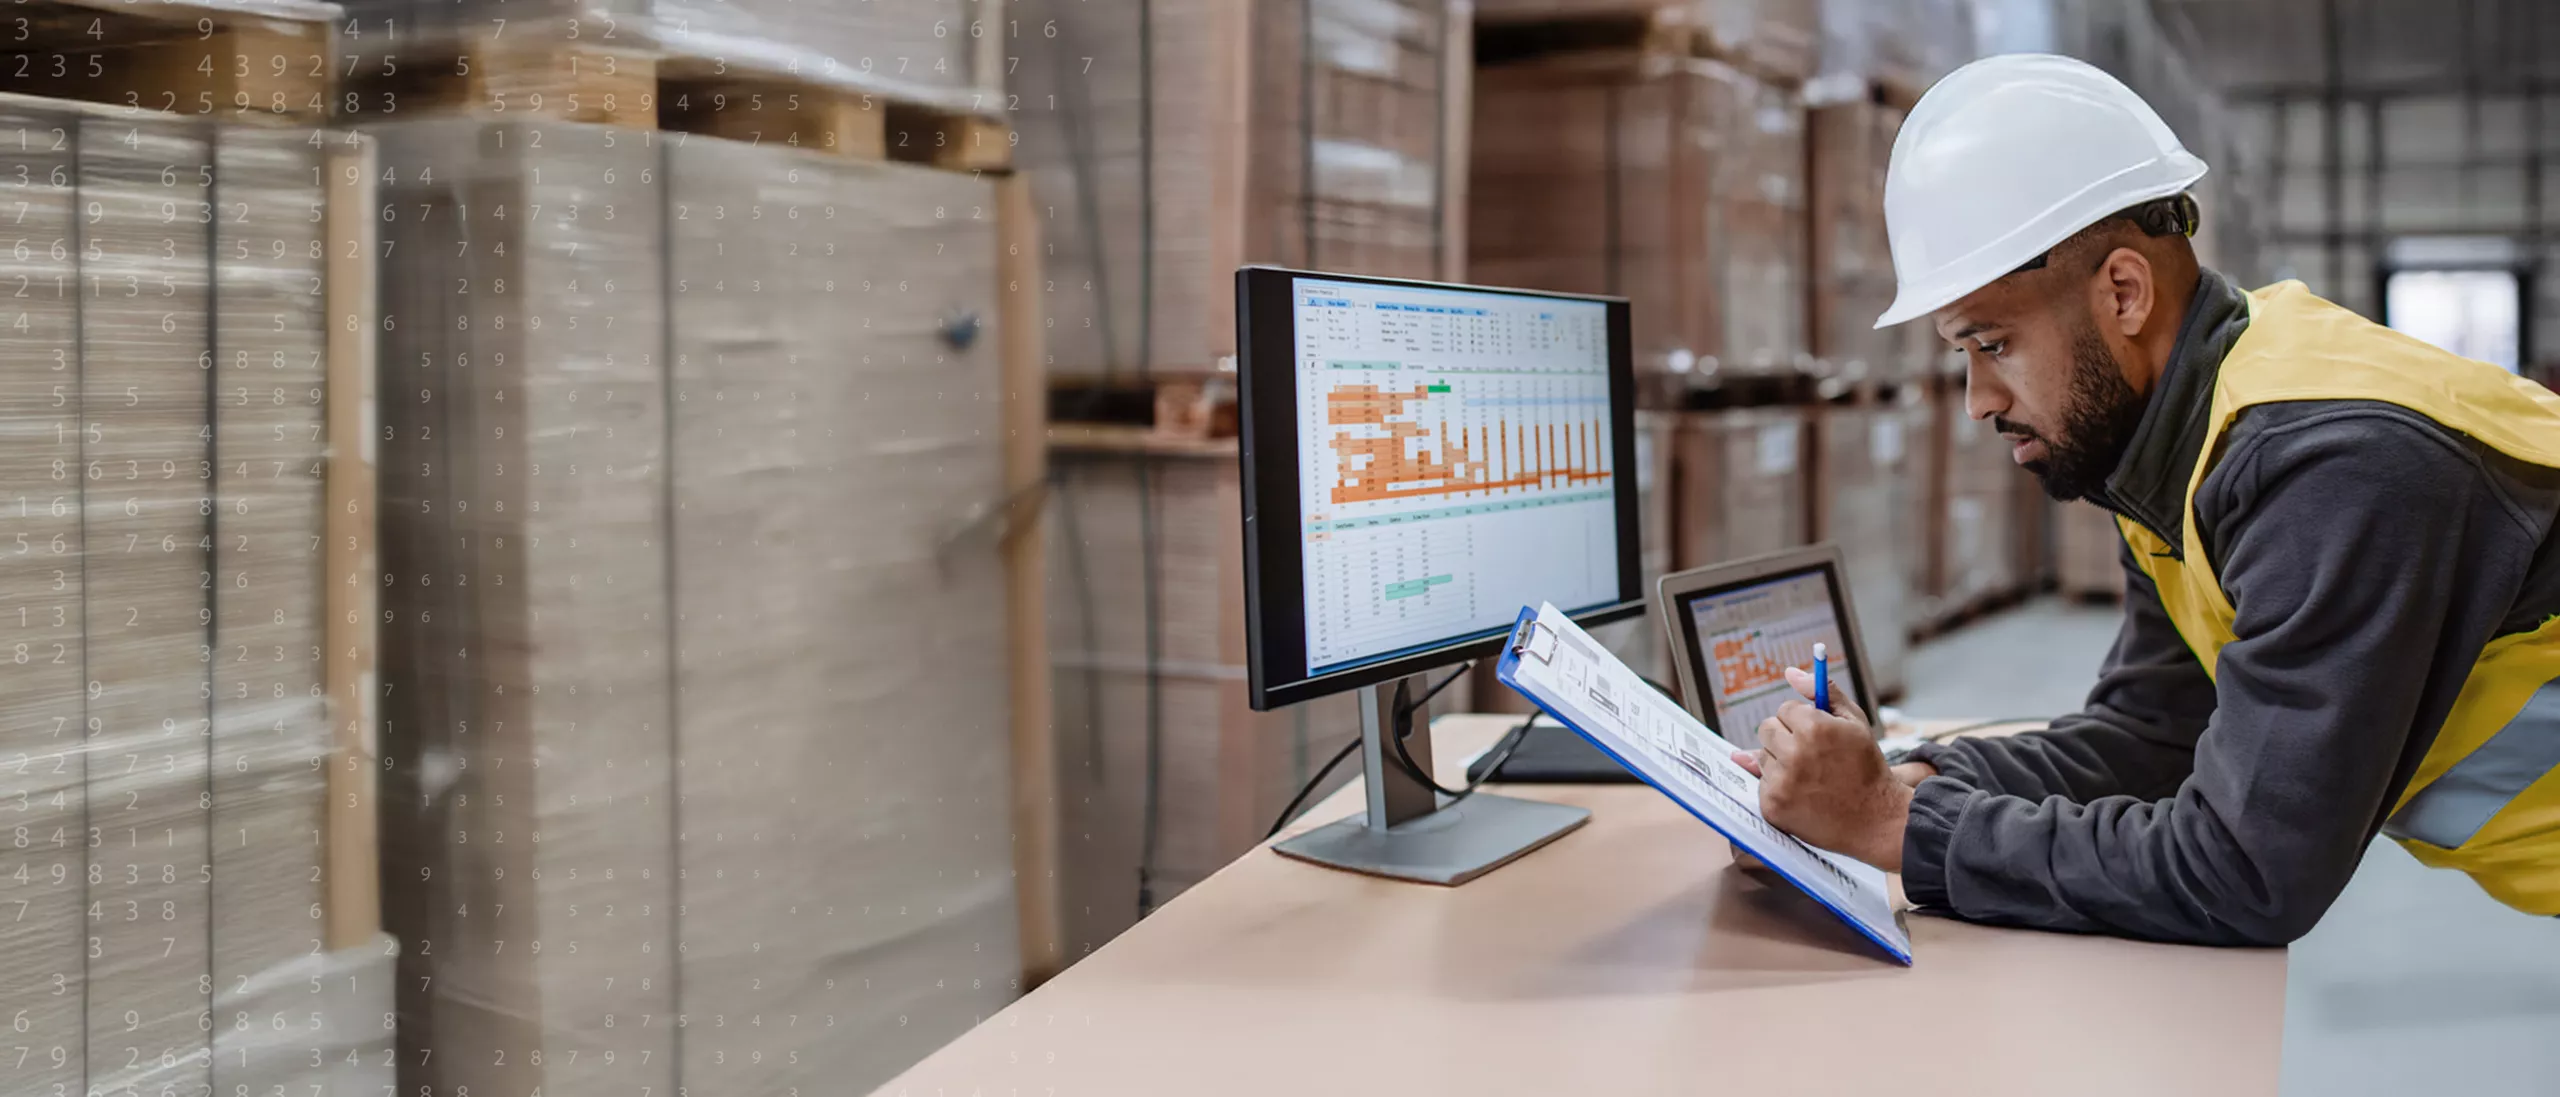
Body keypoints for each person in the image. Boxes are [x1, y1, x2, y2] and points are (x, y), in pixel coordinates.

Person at [1733, 53, 2560, 945]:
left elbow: (2245, 870)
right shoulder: (2177, 448)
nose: (1976, 398)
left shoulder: (2332, 465)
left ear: (2123, 291)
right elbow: (2155, 739)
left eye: (1993, 343)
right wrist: (1914, 779)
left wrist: (1895, 826)